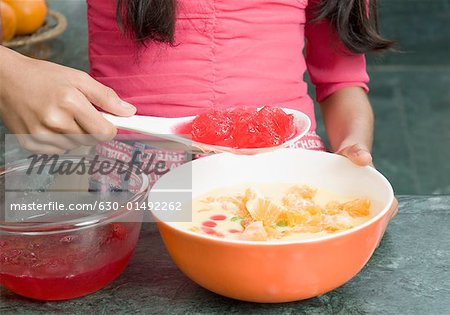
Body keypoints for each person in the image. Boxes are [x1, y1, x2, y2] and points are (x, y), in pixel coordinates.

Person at [0, 0, 393, 166]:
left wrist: (353, 155)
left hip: (286, 170)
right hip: (132, 183)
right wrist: (10, 72)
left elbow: (342, 81)